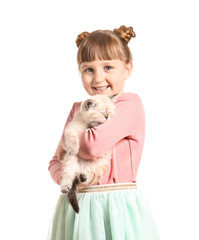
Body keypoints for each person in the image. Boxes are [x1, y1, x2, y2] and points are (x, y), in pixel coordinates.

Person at [48, 25, 160, 240]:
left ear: (127, 69)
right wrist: (71, 179)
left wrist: (72, 137)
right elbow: (56, 161)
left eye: (108, 67)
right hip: (77, 205)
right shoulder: (77, 108)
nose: (98, 78)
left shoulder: (129, 104)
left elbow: (93, 145)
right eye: (88, 69)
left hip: (116, 205)